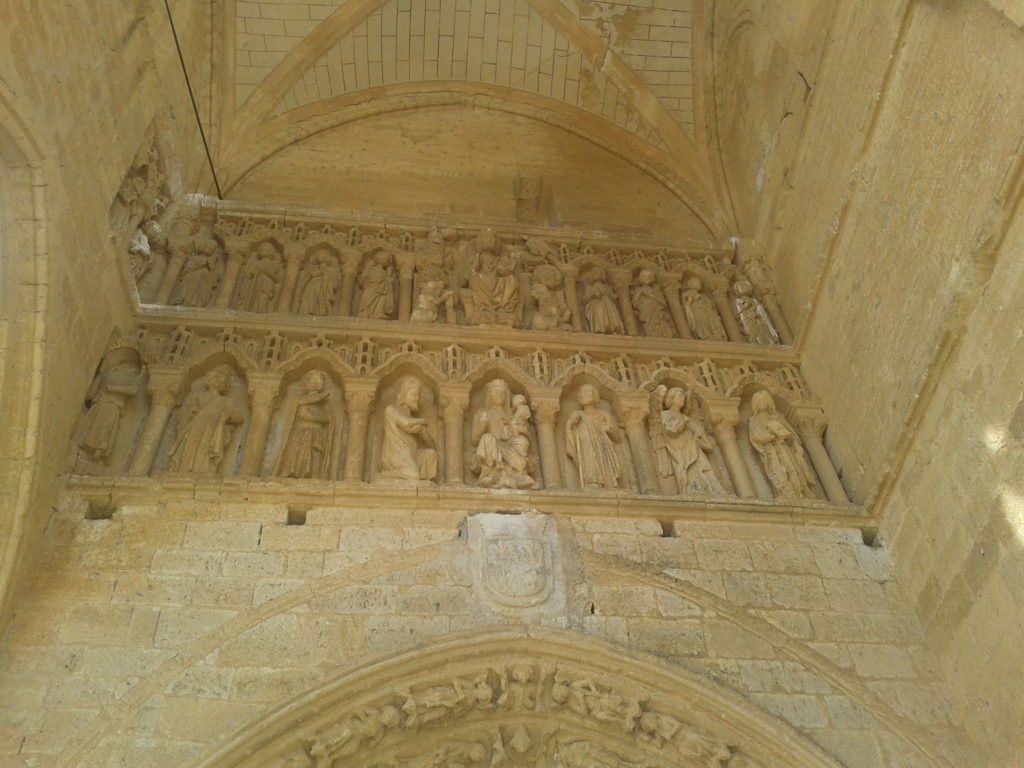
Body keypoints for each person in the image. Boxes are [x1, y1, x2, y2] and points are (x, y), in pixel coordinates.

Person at [168, 366, 246, 474]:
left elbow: (239, 418)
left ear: (225, 385)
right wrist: (191, 412)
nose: (217, 380)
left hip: (213, 429)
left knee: (206, 450)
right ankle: (183, 469)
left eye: (221, 380)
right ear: (208, 380)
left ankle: (205, 471)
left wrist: (227, 417)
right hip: (195, 427)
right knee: (189, 447)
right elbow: (182, 413)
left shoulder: (226, 401)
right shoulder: (198, 396)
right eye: (215, 378)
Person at [650, 385, 725, 495]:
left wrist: (699, 432)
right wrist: (684, 423)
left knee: (702, 466)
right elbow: (669, 430)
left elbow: (703, 438)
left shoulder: (687, 418)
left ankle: (710, 489)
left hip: (694, 447)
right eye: (679, 396)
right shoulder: (666, 414)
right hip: (680, 450)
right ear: (671, 398)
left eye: (683, 396)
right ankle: (691, 489)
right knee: (687, 468)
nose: (682, 398)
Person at [77, 356, 142, 468]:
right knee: (99, 426)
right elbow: (133, 389)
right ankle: (94, 451)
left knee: (102, 427)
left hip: (109, 403)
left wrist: (113, 388)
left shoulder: (110, 375)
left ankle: (96, 451)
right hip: (106, 403)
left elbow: (133, 390)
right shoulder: (111, 375)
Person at [748, 391, 815, 498]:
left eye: (764, 399)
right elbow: (755, 437)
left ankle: (801, 492)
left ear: (769, 401)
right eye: (759, 400)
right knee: (780, 471)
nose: (762, 402)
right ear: (755, 404)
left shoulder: (778, 417)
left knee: (793, 468)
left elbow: (791, 433)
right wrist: (770, 437)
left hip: (785, 448)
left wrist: (786, 437)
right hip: (771, 451)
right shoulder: (754, 420)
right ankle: (787, 493)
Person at [470, 379, 536, 489]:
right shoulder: (482, 413)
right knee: (487, 438)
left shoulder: (512, 413)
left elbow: (525, 431)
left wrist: (518, 429)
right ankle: (491, 474)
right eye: (495, 391)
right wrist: (482, 426)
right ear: (489, 394)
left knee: (522, 441)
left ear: (506, 395)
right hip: (492, 446)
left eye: (502, 392)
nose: (499, 394)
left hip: (509, 444)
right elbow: (474, 440)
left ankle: (518, 474)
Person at [274, 371, 335, 479]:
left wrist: (312, 416)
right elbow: (299, 415)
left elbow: (329, 419)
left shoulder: (324, 401)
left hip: (316, 432)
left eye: (318, 381)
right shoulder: (298, 400)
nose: (314, 383)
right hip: (301, 431)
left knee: (315, 452)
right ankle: (293, 473)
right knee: (297, 451)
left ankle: (314, 475)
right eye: (312, 380)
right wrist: (310, 415)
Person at [379, 377, 437, 482]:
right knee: (413, 476)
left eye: (418, 396)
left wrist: (422, 431)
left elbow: (432, 446)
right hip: (397, 455)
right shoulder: (391, 410)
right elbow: (406, 423)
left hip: (411, 455)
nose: (416, 399)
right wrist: (422, 420)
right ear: (404, 394)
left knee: (430, 454)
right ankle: (386, 474)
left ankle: (411, 471)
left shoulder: (413, 421)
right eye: (414, 395)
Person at [565, 384, 621, 489]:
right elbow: (569, 427)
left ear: (595, 395)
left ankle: (608, 483)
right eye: (582, 393)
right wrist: (570, 428)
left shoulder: (603, 414)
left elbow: (617, 438)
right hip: (586, 447)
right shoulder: (577, 414)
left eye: (588, 391)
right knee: (590, 459)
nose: (584, 394)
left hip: (603, 447)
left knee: (604, 465)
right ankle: (592, 481)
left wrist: (609, 429)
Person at [732, 279, 779, 345]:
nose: (742, 288)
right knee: (751, 333)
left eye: (743, 286)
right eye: (740, 287)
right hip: (746, 320)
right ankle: (755, 342)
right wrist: (746, 310)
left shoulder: (753, 300)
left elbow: (760, 309)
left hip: (756, 319)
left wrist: (753, 312)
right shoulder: (737, 302)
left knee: (761, 330)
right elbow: (737, 314)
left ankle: (767, 342)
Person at [631, 269, 675, 337]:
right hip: (646, 310)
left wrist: (653, 297)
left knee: (660, 322)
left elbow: (664, 303)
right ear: (641, 278)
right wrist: (640, 293)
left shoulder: (656, 291)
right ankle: (651, 333)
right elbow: (634, 302)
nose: (647, 278)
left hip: (658, 310)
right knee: (650, 324)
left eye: (649, 276)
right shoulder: (639, 290)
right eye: (645, 276)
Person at [296, 248, 341, 315]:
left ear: (327, 257)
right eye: (318, 254)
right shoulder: (312, 268)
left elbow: (335, 285)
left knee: (323, 302)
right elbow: (305, 281)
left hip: (324, 290)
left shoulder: (332, 270)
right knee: (307, 301)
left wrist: (326, 278)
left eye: (322, 254)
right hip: (311, 288)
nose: (319, 256)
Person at [681, 276, 726, 341]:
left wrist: (711, 307)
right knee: (701, 321)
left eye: (699, 282)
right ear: (691, 284)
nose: (699, 284)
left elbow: (710, 306)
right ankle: (706, 336)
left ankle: (715, 335)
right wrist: (689, 302)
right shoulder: (686, 294)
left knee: (712, 320)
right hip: (696, 311)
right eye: (697, 282)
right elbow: (686, 306)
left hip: (707, 311)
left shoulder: (704, 296)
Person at [357, 250, 396, 320]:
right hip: (370, 291)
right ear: (378, 259)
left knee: (383, 298)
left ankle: (378, 313)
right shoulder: (370, 269)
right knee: (368, 303)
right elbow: (361, 280)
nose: (386, 261)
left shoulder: (386, 273)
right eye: (384, 258)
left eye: (388, 260)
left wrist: (389, 276)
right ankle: (366, 313)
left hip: (382, 293)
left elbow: (388, 284)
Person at [583, 269, 624, 334]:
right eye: (595, 273)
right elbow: (585, 298)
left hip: (607, 304)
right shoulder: (590, 288)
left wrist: (617, 291)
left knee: (609, 306)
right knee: (598, 309)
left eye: (600, 272)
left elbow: (613, 296)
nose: (598, 274)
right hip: (595, 304)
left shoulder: (607, 287)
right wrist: (593, 295)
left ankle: (613, 328)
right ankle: (600, 328)